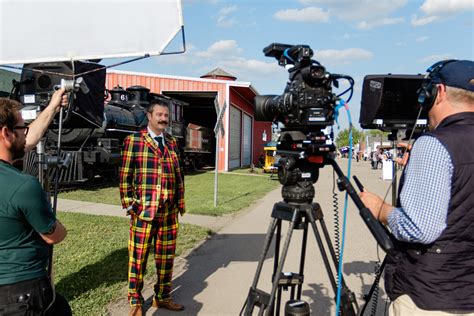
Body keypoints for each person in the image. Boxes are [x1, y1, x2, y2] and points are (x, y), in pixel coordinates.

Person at [360, 60, 474, 314]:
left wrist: (380, 209)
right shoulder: (436, 148)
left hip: (434, 296)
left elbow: (421, 229)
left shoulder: (434, 144)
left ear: (439, 92)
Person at [0, 91, 71, 315]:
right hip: (23, 292)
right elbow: (54, 235)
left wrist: (52, 107)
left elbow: (26, 142)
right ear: (6, 133)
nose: (27, 132)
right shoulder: (24, 186)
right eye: (22, 127)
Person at [119, 98, 186, 316]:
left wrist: (179, 203)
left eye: (166, 115)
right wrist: (131, 206)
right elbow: (125, 177)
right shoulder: (134, 141)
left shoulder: (172, 142)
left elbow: (178, 176)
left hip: (168, 213)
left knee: (166, 258)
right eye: (160, 115)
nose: (164, 119)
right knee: (138, 258)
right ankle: (135, 301)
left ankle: (162, 297)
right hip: (144, 212)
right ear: (149, 116)